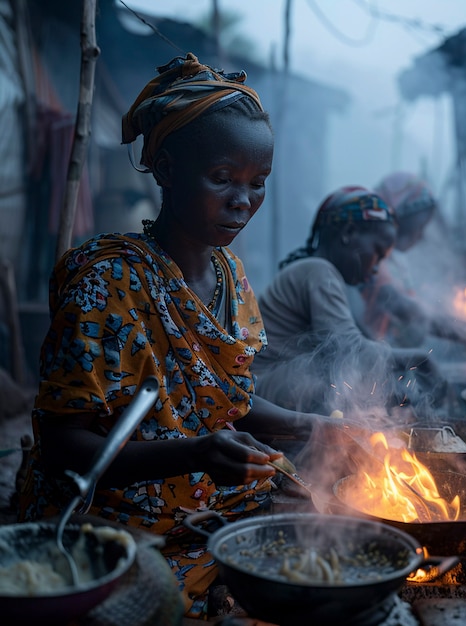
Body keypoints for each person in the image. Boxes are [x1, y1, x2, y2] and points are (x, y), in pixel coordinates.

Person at [17, 53, 324, 623]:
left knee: (319, 515)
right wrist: (198, 452)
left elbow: (220, 396)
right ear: (163, 169)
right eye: (223, 178)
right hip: (112, 507)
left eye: (258, 183)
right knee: (153, 598)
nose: (243, 200)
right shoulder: (106, 283)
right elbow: (65, 447)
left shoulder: (230, 276)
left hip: (209, 489)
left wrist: (312, 426)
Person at [251, 185, 448, 420]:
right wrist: (419, 359)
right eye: (377, 251)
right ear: (349, 233)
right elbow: (350, 350)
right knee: (333, 368)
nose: (376, 268)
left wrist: (406, 397)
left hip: (273, 390)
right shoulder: (319, 271)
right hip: (261, 394)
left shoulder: (324, 275)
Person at [350, 171, 466, 360]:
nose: (421, 236)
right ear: (398, 218)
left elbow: (419, 309)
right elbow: (409, 310)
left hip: (391, 358)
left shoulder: (394, 261)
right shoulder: (371, 262)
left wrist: (462, 325)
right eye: (418, 227)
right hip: (370, 363)